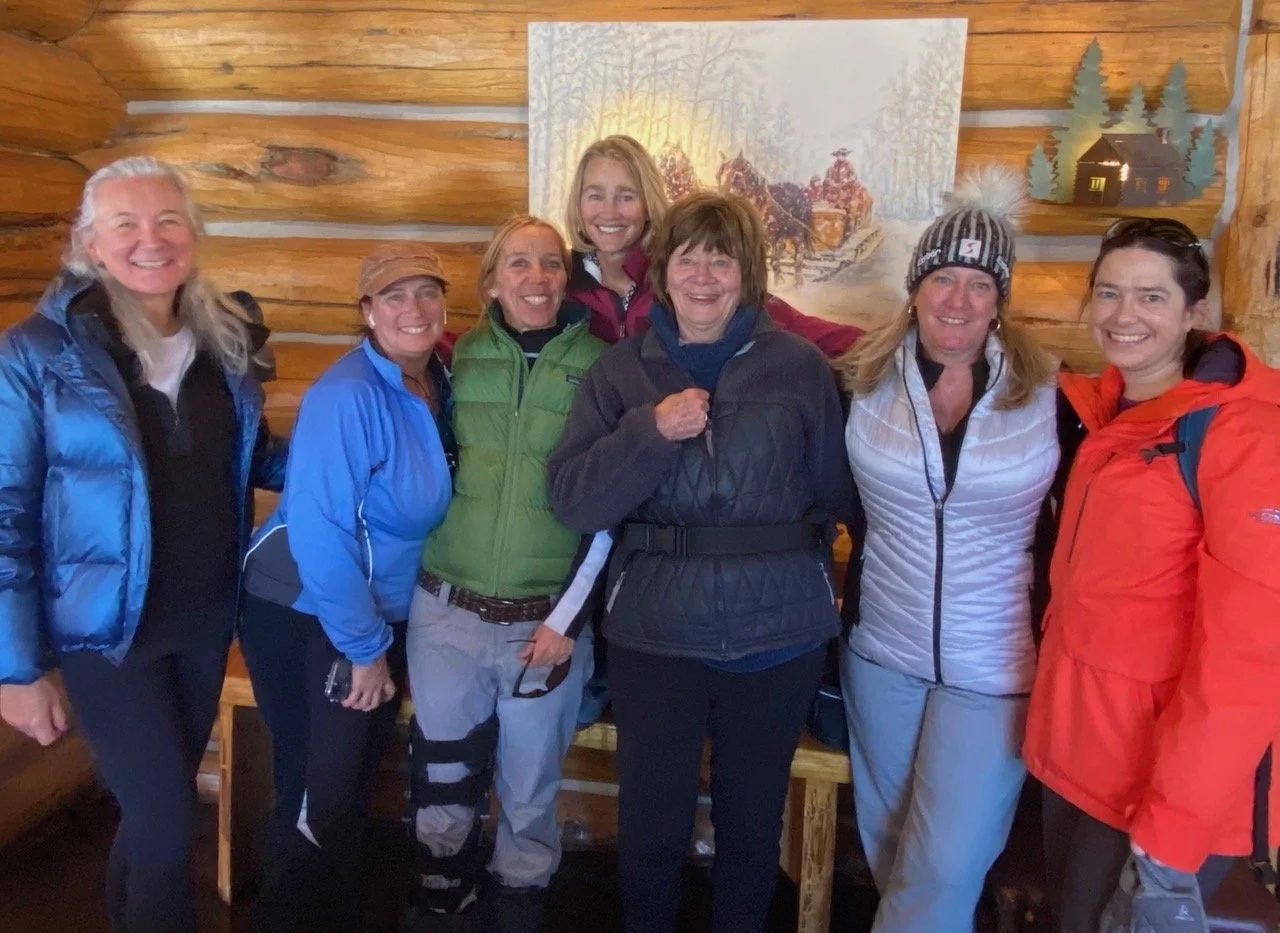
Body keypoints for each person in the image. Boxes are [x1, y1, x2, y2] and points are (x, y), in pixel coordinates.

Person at [547, 191, 852, 933]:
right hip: (658, 634)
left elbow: (836, 492)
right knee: (652, 829)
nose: (705, 273)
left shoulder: (800, 369)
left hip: (777, 633)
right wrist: (650, 431)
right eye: (689, 256)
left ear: (748, 271)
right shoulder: (621, 374)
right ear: (663, 271)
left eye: (723, 256)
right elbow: (575, 499)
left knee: (750, 830)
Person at [0, 155, 287, 933]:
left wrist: (348, 460)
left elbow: (250, 455)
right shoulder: (35, 354)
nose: (150, 239)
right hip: (104, 633)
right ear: (89, 244)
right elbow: (6, 515)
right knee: (166, 819)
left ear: (193, 233)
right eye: (125, 223)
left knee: (147, 818)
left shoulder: (222, 338)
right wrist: (17, 669)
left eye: (168, 220)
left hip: (200, 617)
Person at [1023, 217, 1280, 932]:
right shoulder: (1106, 412)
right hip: (1079, 753)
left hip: (1163, 783)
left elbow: (1249, 658)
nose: (1123, 315)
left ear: (1196, 311)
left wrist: (1173, 827)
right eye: (1108, 293)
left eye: (1151, 297)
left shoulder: (1243, 434)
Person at [837, 167, 1062, 933]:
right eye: (943, 279)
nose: (958, 300)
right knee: (895, 850)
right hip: (881, 658)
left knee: (943, 865)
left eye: (978, 283)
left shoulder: (1051, 396)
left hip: (994, 668)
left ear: (1001, 297)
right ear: (916, 287)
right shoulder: (863, 379)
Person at [237, 242, 456, 932]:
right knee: (318, 794)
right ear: (367, 312)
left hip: (371, 609)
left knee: (345, 787)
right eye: (393, 296)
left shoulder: (434, 380)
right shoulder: (348, 394)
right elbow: (324, 533)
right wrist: (364, 647)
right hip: (307, 605)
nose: (412, 309)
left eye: (426, 292)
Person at [402, 216, 608, 933]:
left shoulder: (605, 365)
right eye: (519, 264)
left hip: (543, 625)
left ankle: (517, 913)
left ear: (567, 278)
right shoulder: (452, 360)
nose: (537, 278)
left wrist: (568, 620)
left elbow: (611, 505)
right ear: (492, 281)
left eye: (551, 264)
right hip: (447, 613)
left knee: (528, 797)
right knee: (442, 786)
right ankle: (439, 908)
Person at [565, 134, 860, 354]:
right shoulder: (561, 281)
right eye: (595, 195)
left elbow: (786, 324)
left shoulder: (682, 274)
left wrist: (881, 348)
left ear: (648, 202)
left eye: (626, 196)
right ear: (578, 203)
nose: (609, 211)